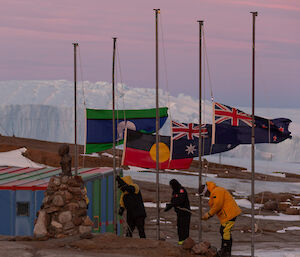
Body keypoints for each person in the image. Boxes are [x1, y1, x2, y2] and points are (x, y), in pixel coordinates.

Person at [200, 181, 241, 257]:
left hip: (230, 214)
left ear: (207, 190)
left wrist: (208, 214)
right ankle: (224, 250)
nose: (206, 196)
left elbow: (217, 205)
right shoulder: (215, 192)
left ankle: (226, 251)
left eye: (205, 194)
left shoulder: (217, 191)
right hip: (228, 214)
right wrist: (209, 215)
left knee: (225, 231)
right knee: (223, 231)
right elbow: (216, 206)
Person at [164, 179, 191, 245]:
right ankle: (180, 241)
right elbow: (173, 200)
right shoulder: (174, 191)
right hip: (179, 213)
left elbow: (180, 201)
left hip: (185, 213)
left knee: (184, 228)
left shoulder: (182, 190)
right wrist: (169, 206)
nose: (171, 187)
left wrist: (172, 204)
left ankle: (185, 242)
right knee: (179, 227)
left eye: (172, 185)